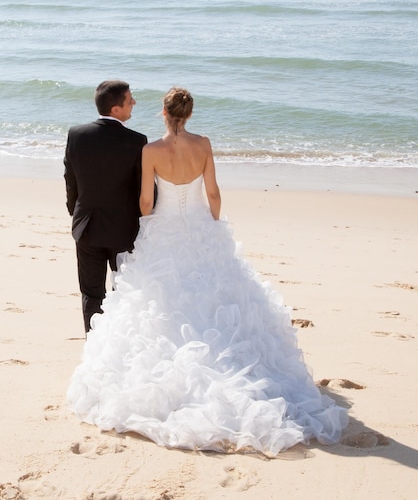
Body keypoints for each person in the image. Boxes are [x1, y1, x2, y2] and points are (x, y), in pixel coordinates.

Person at [67, 87, 348, 456]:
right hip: (200, 226)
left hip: (164, 228)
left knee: (157, 302)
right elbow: (213, 193)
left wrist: (150, 225)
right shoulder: (203, 145)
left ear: (164, 114)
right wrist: (212, 227)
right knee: (214, 296)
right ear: (188, 114)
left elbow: (146, 201)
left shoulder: (150, 149)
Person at [64, 79, 148, 333]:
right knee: (123, 288)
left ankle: (94, 345)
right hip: (124, 229)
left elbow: (71, 179)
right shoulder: (137, 141)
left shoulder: (77, 135)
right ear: (115, 109)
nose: (133, 102)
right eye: (129, 99)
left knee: (91, 291)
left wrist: (75, 211)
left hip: (86, 226)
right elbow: (142, 188)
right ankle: (118, 340)